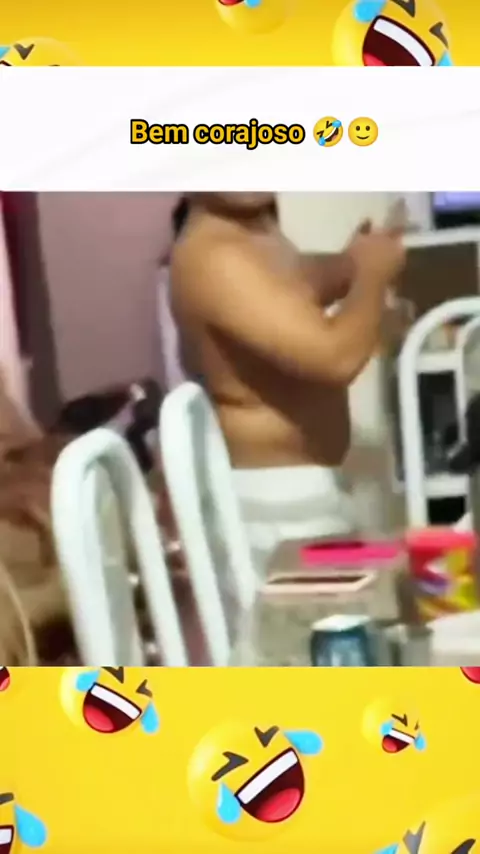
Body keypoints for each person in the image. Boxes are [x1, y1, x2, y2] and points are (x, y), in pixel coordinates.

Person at [170, 193, 406, 573]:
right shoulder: (212, 254)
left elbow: (295, 284)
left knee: (373, 585)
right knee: (325, 608)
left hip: (301, 490)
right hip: (273, 504)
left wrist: (352, 262)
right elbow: (335, 358)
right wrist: (372, 277)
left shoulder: (254, 230)